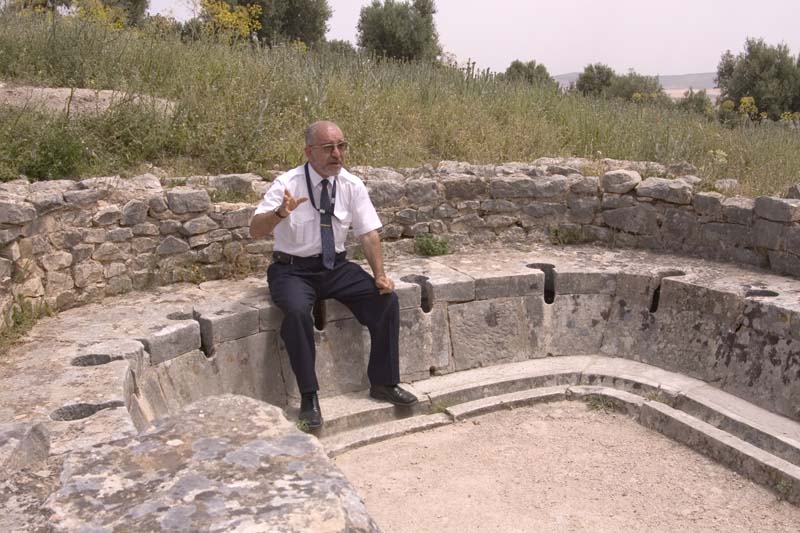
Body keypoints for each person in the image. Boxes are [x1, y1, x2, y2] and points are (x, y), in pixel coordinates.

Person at [249, 120, 418, 429]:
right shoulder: (288, 183)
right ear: (309, 151)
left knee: (385, 301)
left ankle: (384, 382)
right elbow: (254, 229)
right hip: (292, 270)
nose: (337, 154)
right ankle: (309, 398)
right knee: (298, 313)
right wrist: (280, 213)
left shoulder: (351, 184)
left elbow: (368, 234)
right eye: (328, 148)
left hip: (335, 267)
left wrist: (380, 274)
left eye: (342, 146)